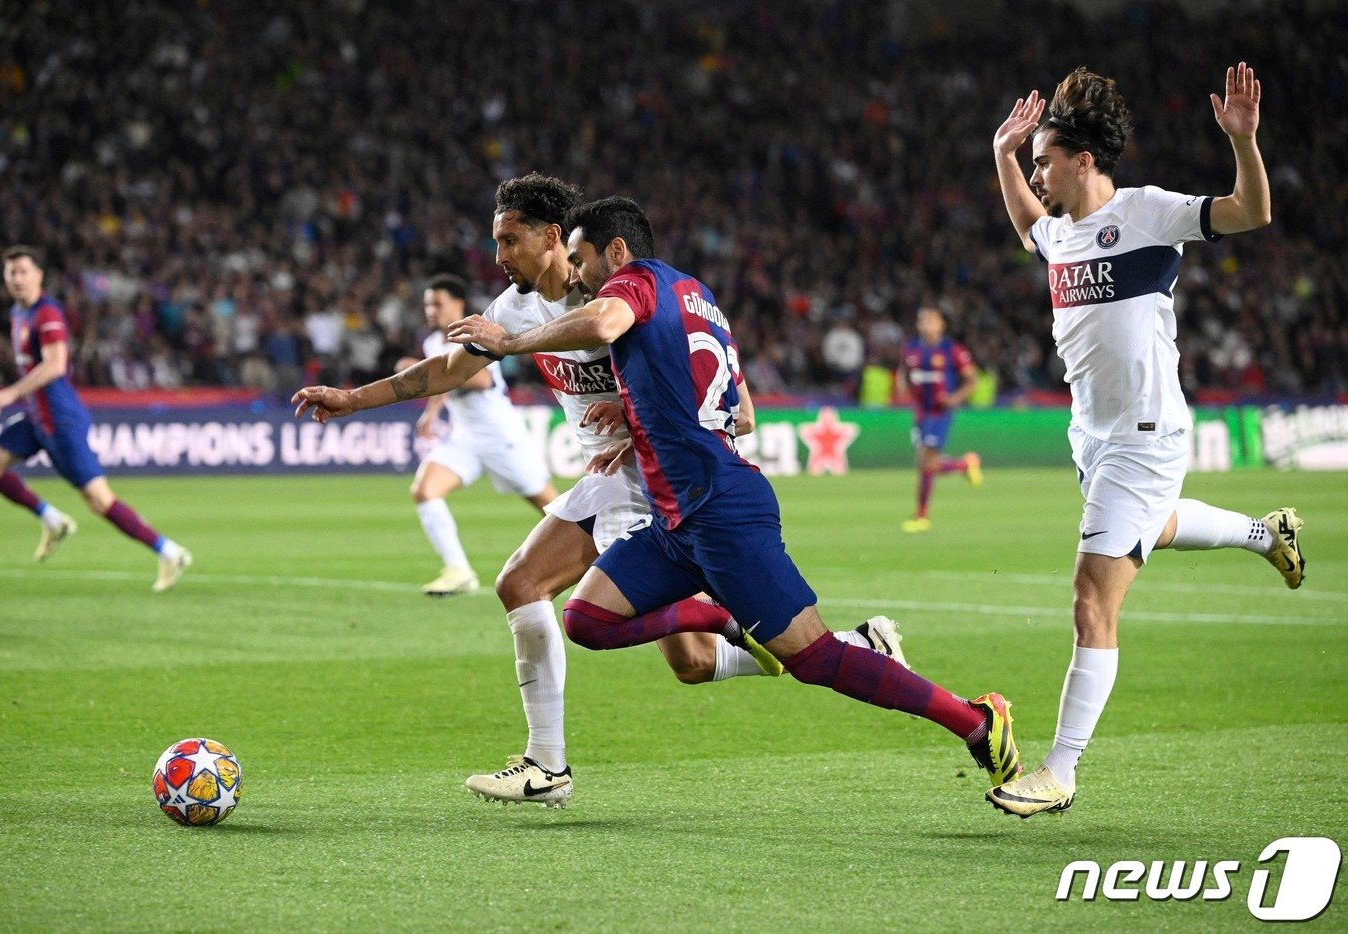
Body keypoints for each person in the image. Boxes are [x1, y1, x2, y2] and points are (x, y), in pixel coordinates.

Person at [294, 174, 905, 808]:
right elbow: (447, 370)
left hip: (662, 486)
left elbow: (742, 411)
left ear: (552, 237)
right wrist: (350, 399)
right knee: (549, 598)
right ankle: (547, 765)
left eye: (509, 241)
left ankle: (840, 649)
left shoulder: (628, 297)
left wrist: (640, 429)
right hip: (605, 482)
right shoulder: (517, 308)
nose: (498, 257)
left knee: (676, 651)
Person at [446, 195, 1022, 803]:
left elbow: (603, 324)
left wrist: (510, 344)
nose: (580, 275)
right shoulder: (693, 294)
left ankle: (977, 721)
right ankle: (726, 621)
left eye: (584, 260)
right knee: (586, 620)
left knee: (816, 658)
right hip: (675, 517)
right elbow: (732, 409)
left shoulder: (634, 283)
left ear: (616, 252)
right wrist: (637, 420)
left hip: (720, 507)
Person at [986, 63, 1303, 817]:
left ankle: (1060, 770)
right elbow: (1029, 226)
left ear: (1083, 160)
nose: (1038, 173)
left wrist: (1246, 143)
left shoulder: (1150, 213)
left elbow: (1250, 212)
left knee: (1092, 595)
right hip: (1091, 438)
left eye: (1043, 161)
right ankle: (1268, 533)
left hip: (1145, 435)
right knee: (1149, 532)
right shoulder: (1060, 235)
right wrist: (1004, 157)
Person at [0, 246, 192, 592]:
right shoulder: (19, 313)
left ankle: (169, 551)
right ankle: (53, 520)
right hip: (37, 418)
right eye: (10, 272)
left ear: (39, 275)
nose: (17, 278)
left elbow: (56, 364)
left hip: (61, 421)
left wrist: (11, 393)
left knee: (99, 501)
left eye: (23, 271)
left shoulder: (46, 313)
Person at [403, 273, 557, 596]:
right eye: (427, 305)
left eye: (437, 303)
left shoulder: (475, 332)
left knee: (551, 506)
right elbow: (442, 382)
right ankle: (458, 570)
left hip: (500, 436)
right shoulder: (434, 342)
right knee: (425, 490)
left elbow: (482, 381)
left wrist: (423, 369)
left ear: (458, 304)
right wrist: (431, 413)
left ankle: (606, 554)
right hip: (465, 438)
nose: (431, 310)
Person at [896, 306, 983, 532]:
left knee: (926, 461)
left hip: (939, 411)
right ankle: (964, 464)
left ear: (942, 324)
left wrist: (955, 398)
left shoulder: (951, 349)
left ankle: (921, 516)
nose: (927, 325)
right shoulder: (911, 349)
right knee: (924, 463)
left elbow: (972, 378)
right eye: (923, 321)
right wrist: (902, 388)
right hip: (920, 412)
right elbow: (903, 372)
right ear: (918, 325)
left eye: (932, 321)